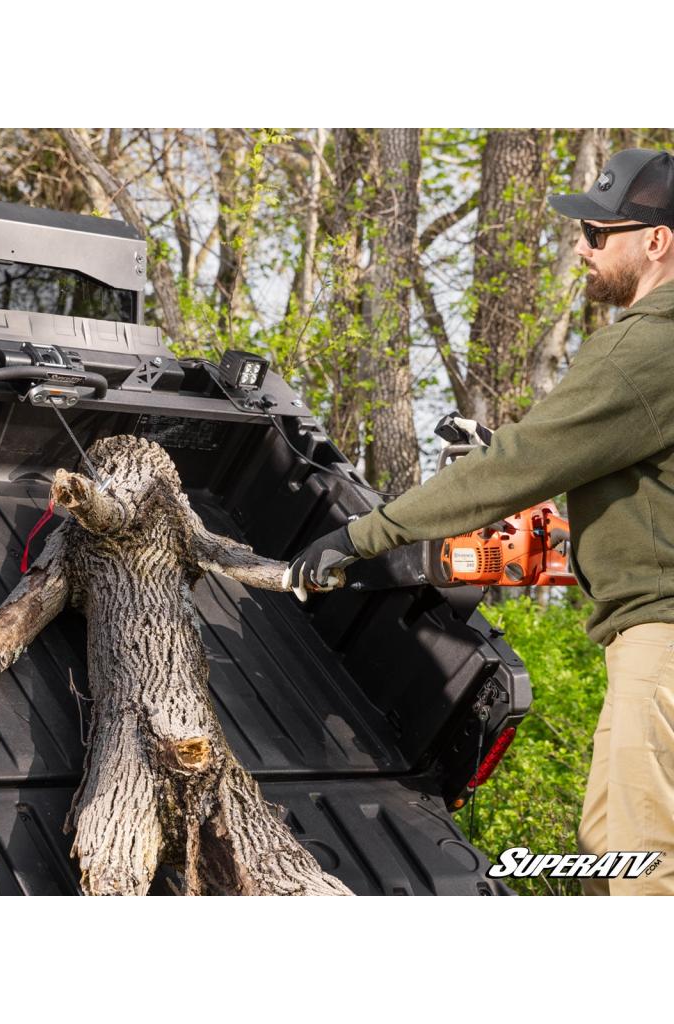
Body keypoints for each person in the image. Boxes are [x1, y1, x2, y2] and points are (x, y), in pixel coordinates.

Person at [288, 148, 674, 896]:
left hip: (662, 646)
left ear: (655, 241)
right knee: (611, 851)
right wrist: (516, 465)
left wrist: (357, 537)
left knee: (638, 868)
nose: (581, 248)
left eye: (598, 234)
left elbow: (515, 470)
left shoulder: (644, 345)